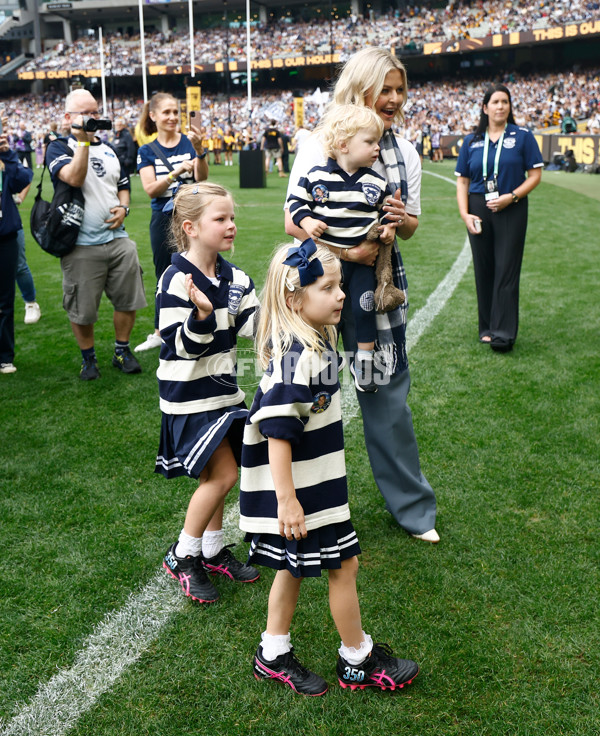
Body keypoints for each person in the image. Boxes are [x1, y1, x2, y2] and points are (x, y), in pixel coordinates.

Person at [240, 241, 419, 696]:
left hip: (316, 487)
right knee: (345, 566)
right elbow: (276, 434)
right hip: (301, 495)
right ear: (295, 300)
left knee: (292, 569)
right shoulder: (295, 361)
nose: (341, 295)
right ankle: (356, 658)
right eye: (328, 287)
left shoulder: (320, 340)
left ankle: (273, 653)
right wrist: (288, 501)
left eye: (339, 285)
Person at [285, 47, 439, 543]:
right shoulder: (317, 142)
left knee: (386, 396)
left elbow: (412, 226)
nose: (394, 99)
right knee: (305, 392)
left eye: (400, 89)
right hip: (316, 289)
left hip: (378, 289)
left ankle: (414, 511)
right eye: (385, 89)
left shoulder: (406, 151)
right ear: (359, 88)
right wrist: (342, 251)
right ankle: (294, 505)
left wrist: (398, 219)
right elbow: (291, 219)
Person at [158, 182, 260, 603]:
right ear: (191, 227)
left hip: (225, 394)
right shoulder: (176, 280)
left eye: (232, 217)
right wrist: (201, 315)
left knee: (216, 475)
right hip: (189, 396)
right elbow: (179, 346)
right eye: (221, 219)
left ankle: (213, 549)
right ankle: (182, 555)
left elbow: (256, 328)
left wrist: (294, 305)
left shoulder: (236, 277)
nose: (231, 225)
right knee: (223, 476)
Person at [287, 104, 397, 392]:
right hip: (325, 262)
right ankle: (323, 354)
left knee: (365, 307)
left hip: (362, 264)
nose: (377, 148)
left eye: (378, 142)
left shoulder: (376, 181)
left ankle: (364, 362)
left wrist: (388, 229)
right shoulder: (316, 176)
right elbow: (295, 204)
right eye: (370, 142)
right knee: (320, 311)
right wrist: (308, 220)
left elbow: (386, 212)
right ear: (343, 144)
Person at [46, 89, 147, 380]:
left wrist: (124, 207)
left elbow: (123, 183)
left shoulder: (109, 147)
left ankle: (121, 350)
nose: (92, 118)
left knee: (128, 299)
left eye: (94, 112)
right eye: (84, 113)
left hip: (118, 239)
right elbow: (75, 178)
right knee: (82, 308)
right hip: (79, 243)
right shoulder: (59, 147)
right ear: (68, 118)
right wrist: (82, 142)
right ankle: (88, 358)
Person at [455, 83, 543, 352]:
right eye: (495, 102)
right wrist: (465, 213)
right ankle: (487, 327)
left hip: (511, 206)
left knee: (506, 268)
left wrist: (512, 197)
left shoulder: (523, 136)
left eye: (505, 101)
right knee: (484, 268)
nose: (501, 106)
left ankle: (503, 333)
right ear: (485, 108)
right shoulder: (471, 141)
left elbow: (536, 176)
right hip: (478, 207)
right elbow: (462, 181)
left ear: (510, 107)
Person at [134, 92, 209, 353]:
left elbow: (202, 179)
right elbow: (151, 190)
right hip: (164, 219)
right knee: (164, 273)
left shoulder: (189, 142)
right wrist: (176, 173)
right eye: (166, 112)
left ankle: (199, 321)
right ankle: (160, 330)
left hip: (193, 216)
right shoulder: (146, 150)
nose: (172, 117)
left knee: (198, 270)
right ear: (153, 116)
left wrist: (199, 151)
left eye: (176, 112)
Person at [0, 124, 34, 374]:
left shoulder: (5, 161)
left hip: (5, 236)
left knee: (5, 300)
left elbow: (24, 179)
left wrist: (7, 154)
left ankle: (4, 355)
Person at [13, 183, 42, 324]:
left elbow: (26, 177)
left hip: (8, 222)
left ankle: (30, 303)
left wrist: (19, 197)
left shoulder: (5, 162)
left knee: (19, 266)